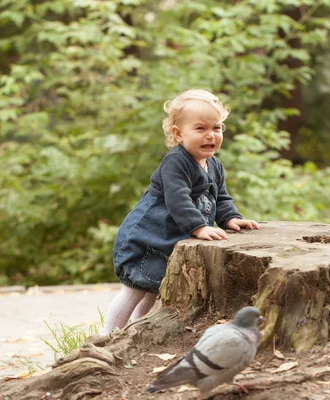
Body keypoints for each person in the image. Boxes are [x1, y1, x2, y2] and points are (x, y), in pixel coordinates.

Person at [100, 89, 261, 335]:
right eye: (200, 129)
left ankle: (134, 335)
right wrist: (199, 227)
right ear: (178, 134)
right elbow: (178, 200)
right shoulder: (175, 162)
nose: (211, 136)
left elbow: (221, 197)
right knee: (134, 290)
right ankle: (106, 338)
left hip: (171, 240)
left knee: (153, 293)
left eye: (216, 128)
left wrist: (231, 218)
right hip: (148, 236)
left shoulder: (214, 165)